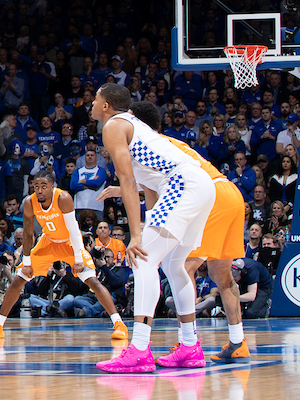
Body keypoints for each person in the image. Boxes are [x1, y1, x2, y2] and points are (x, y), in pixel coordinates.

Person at [92, 82, 216, 373]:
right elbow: (148, 188)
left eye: (95, 100)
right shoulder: (137, 127)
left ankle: (139, 350)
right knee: (174, 266)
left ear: (106, 105)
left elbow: (129, 181)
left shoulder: (112, 126)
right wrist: (122, 193)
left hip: (183, 184)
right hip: (199, 186)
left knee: (142, 260)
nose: (92, 105)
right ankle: (190, 347)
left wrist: (136, 236)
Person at [115, 100, 251, 364]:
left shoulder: (145, 145)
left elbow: (155, 193)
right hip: (229, 194)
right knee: (221, 275)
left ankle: (187, 343)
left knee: (179, 266)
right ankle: (238, 342)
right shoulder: (167, 143)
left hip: (208, 198)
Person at [0, 169, 127, 341]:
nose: (40, 190)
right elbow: (28, 234)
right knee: (19, 279)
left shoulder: (63, 198)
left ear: (52, 187)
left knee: (92, 280)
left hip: (69, 242)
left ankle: (119, 325)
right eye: (36, 186)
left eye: (44, 186)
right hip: (48, 242)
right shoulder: (29, 202)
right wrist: (26, 262)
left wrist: (79, 259)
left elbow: (73, 230)